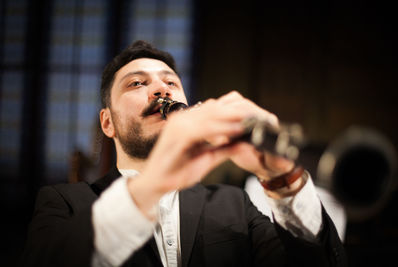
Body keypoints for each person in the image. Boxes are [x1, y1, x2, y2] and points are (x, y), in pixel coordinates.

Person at [19, 40, 347, 267]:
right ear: (108, 123)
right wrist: (156, 181)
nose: (162, 90)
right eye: (136, 83)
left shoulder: (235, 204)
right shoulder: (63, 201)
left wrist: (284, 180)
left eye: (171, 83)